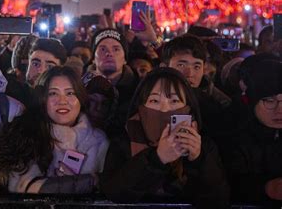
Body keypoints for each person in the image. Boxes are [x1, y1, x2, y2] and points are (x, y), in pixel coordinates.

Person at [100, 67, 230, 208]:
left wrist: (198, 160)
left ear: (188, 106)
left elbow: (219, 199)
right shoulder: (123, 141)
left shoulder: (203, 145)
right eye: (155, 101)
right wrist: (157, 158)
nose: (164, 109)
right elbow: (115, 193)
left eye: (174, 101)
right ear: (141, 106)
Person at [0, 66, 109, 194]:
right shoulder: (26, 133)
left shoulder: (98, 141)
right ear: (42, 99)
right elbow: (22, 188)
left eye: (70, 93)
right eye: (53, 93)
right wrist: (82, 183)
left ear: (80, 98)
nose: (62, 101)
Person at [225, 60, 282, 205]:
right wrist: (267, 188)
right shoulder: (229, 133)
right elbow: (223, 187)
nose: (279, 110)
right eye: (269, 100)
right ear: (251, 100)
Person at [82, 28, 139, 138]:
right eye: (103, 49)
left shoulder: (139, 90)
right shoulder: (78, 88)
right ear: (93, 58)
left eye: (116, 49)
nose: (109, 54)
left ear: (125, 58)